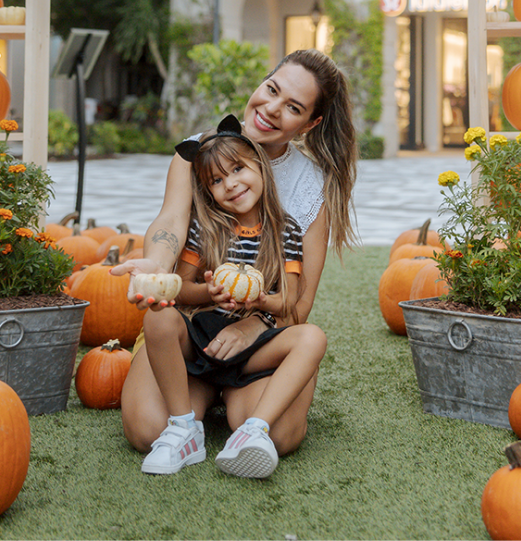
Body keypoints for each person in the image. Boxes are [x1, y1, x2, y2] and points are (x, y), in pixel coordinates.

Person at [113, 48, 358, 463]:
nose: (272, 108)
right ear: (262, 82)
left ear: (310, 123)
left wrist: (253, 324)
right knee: (147, 430)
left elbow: (300, 305)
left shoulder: (312, 186)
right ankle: (193, 405)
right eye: (272, 89)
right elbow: (171, 221)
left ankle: (242, 402)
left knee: (279, 436)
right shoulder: (199, 152)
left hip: (260, 339)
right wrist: (157, 264)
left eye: (293, 107)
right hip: (192, 334)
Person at [140, 114, 326, 478]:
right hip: (203, 341)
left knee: (312, 338)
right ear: (207, 191)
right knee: (157, 315)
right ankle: (183, 429)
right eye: (217, 180)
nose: (231, 184)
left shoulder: (284, 230)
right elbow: (181, 289)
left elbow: (288, 299)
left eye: (238, 169)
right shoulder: (205, 228)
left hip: (253, 348)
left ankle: (253, 430)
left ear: (259, 165)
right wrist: (206, 291)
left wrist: (259, 302)